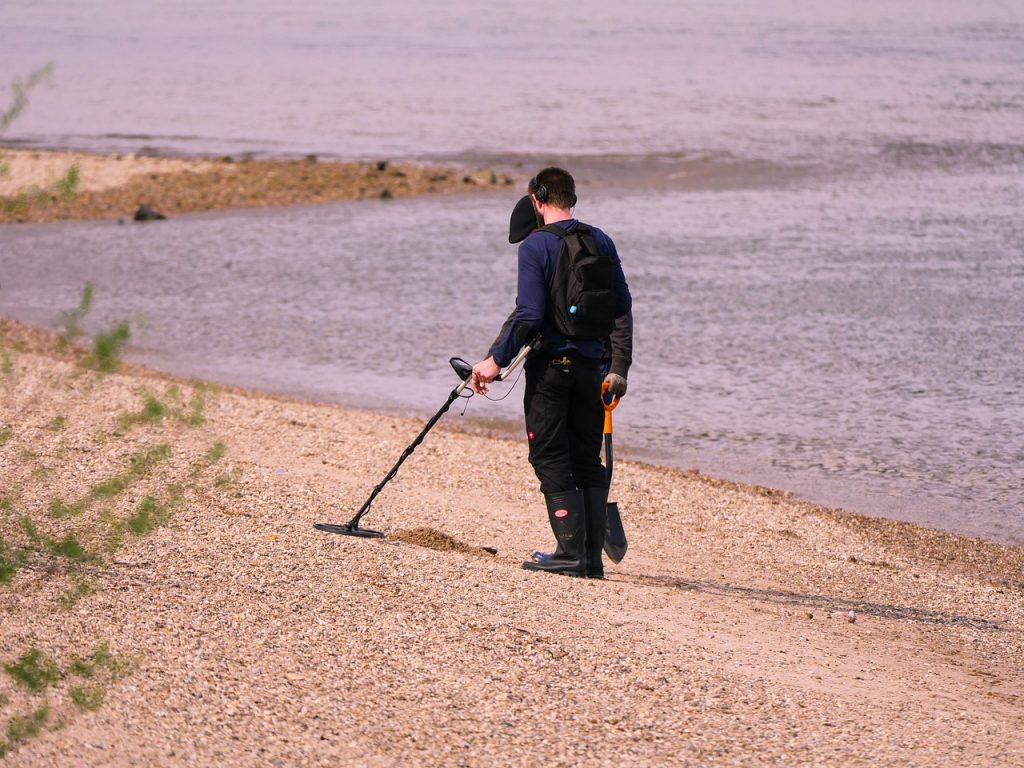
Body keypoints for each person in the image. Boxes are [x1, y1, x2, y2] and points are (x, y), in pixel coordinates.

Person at [472, 167, 632, 578]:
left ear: (538, 200)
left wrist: (494, 362)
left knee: (548, 455)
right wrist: (616, 365)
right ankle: (590, 558)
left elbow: (528, 315)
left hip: (552, 371)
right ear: (572, 197)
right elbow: (621, 306)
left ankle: (568, 552)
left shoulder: (535, 246)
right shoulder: (601, 239)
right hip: (591, 371)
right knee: (586, 459)